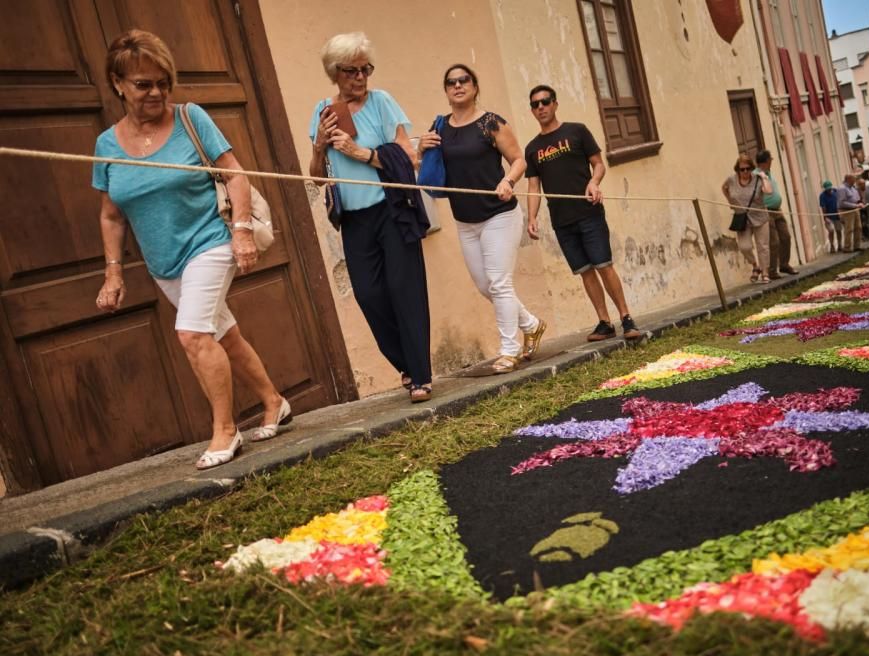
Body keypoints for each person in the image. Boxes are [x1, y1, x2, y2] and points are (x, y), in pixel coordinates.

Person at [93, 30, 289, 470]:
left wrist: (240, 232)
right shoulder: (107, 144)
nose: (157, 92)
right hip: (164, 262)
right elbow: (111, 215)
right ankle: (274, 401)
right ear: (118, 83)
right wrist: (114, 272)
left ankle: (225, 430)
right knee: (224, 335)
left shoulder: (190, 118)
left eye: (163, 82)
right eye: (144, 84)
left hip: (210, 240)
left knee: (193, 335)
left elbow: (235, 175)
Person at [309, 32, 433, 402]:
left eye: (366, 69)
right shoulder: (324, 111)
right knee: (369, 295)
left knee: (404, 290)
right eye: (351, 71)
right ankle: (406, 365)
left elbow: (407, 158)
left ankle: (420, 375)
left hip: (391, 211)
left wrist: (361, 153)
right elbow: (317, 176)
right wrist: (319, 146)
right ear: (335, 73)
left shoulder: (382, 102)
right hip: (354, 221)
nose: (360, 78)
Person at [419, 64, 546, 374]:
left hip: (498, 215)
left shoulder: (491, 123)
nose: (458, 85)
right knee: (484, 285)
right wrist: (421, 150)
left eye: (464, 80)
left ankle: (508, 349)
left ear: (475, 86)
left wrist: (508, 182)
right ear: (446, 90)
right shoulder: (439, 128)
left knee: (499, 282)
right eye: (451, 82)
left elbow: (519, 160)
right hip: (466, 220)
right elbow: (428, 170)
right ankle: (531, 324)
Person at [523, 85, 642, 342]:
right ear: (532, 111)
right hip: (561, 220)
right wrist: (531, 218)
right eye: (535, 104)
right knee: (585, 271)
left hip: (589, 212)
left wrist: (593, 183)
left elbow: (598, 164)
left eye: (545, 102)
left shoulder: (577, 131)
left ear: (555, 103)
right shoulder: (533, 148)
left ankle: (626, 318)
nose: (541, 107)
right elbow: (534, 186)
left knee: (604, 265)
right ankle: (604, 322)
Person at [722, 153, 774, 283]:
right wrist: (730, 202)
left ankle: (765, 273)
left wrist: (764, 177)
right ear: (737, 170)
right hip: (742, 218)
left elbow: (768, 191)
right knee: (744, 246)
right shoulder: (732, 180)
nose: (745, 171)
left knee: (762, 246)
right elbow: (724, 188)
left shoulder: (757, 179)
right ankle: (755, 266)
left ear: (751, 168)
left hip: (760, 216)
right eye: (742, 169)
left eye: (748, 168)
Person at [754, 150, 797, 279]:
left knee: (786, 236)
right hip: (766, 211)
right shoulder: (757, 175)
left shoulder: (768, 173)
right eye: (770, 160)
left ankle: (784, 264)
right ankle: (772, 270)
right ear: (766, 161)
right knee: (774, 241)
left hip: (777, 209)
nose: (772, 161)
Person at [836, 174, 863, 252]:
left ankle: (857, 246)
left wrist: (859, 203)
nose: (855, 181)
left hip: (855, 209)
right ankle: (847, 247)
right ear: (848, 179)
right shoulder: (842, 189)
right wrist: (855, 205)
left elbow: (857, 199)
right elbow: (841, 203)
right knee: (849, 229)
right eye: (853, 179)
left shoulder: (853, 188)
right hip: (846, 211)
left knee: (858, 227)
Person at [819, 180, 842, 252]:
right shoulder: (822, 196)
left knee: (839, 230)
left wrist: (840, 213)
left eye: (830, 189)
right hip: (829, 216)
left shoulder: (836, 192)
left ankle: (840, 245)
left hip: (837, 215)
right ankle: (832, 245)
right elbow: (823, 207)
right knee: (831, 230)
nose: (829, 190)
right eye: (827, 189)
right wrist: (825, 217)